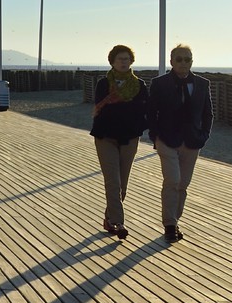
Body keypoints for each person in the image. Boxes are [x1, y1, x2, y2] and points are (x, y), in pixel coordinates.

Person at [146, 43, 212, 243]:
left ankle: (175, 221)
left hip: (192, 142)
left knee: (183, 184)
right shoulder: (160, 84)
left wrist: (203, 136)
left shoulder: (202, 84)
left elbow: (208, 114)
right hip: (167, 140)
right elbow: (151, 112)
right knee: (172, 180)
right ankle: (169, 225)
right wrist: (155, 136)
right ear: (171, 61)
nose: (184, 63)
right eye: (179, 59)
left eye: (188, 59)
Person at [89, 44, 148, 239]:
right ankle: (118, 222)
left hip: (130, 137)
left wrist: (139, 125)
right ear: (112, 62)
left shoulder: (139, 86)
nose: (123, 62)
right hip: (106, 136)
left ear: (131, 61)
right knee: (112, 181)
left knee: (122, 184)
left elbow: (145, 110)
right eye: (119, 59)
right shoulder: (104, 84)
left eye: (126, 59)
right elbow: (101, 108)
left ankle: (108, 218)